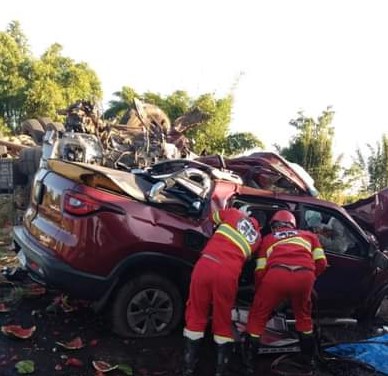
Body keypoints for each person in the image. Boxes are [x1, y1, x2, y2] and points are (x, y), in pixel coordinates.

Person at [244, 209, 327, 375]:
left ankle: (248, 366)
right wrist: (309, 280)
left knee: (257, 318)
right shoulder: (309, 236)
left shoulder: (268, 238)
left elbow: (260, 271)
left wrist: (261, 292)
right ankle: (307, 361)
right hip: (305, 276)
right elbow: (322, 263)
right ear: (292, 224)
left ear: (274, 226)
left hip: (276, 276)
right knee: (303, 318)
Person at [182, 206, 262, 376]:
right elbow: (247, 256)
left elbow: (212, 218)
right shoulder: (257, 239)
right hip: (228, 273)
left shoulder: (233, 213)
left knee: (196, 311)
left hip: (206, 264)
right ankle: (220, 369)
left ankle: (189, 367)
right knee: (223, 316)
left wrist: (238, 212)